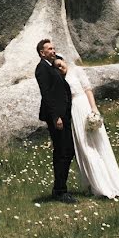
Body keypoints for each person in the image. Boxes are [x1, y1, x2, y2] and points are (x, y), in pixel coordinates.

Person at [53, 56, 119, 199]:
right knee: (85, 147)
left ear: (64, 61)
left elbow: (88, 90)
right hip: (73, 112)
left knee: (97, 143)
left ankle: (109, 181)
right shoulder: (60, 79)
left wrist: (94, 108)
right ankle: (95, 183)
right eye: (57, 68)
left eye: (60, 64)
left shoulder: (77, 71)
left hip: (84, 106)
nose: (60, 68)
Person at [34, 38, 77, 204]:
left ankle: (60, 188)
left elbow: (60, 59)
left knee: (66, 151)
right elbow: (47, 94)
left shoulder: (50, 65)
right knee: (62, 151)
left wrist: (55, 56)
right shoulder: (42, 69)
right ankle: (59, 191)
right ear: (41, 52)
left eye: (54, 48)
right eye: (49, 49)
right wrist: (55, 117)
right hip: (56, 117)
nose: (53, 51)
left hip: (63, 115)